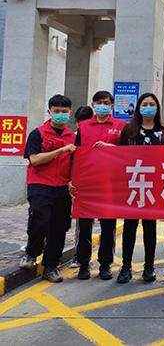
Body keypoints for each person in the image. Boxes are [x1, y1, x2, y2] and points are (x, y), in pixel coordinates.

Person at [19, 95, 76, 283]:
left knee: (59, 228)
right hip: (40, 185)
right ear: (49, 111)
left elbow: (76, 164)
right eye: (56, 111)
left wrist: (73, 181)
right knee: (39, 222)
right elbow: (34, 159)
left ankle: (51, 266)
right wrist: (60, 150)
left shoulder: (73, 137)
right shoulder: (38, 134)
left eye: (64, 111)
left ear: (70, 112)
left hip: (62, 188)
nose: (60, 114)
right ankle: (31, 252)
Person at [117, 93, 164, 284]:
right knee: (130, 227)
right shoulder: (129, 130)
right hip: (132, 186)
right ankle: (126, 267)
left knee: (150, 228)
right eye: (145, 104)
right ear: (139, 108)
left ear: (157, 108)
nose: (148, 107)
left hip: (152, 187)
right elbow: (119, 156)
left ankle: (149, 267)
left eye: (152, 104)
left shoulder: (163, 133)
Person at [74, 91, 126, 281]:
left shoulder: (121, 126)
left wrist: (111, 148)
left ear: (112, 105)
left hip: (110, 183)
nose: (102, 106)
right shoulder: (83, 126)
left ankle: (105, 264)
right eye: (98, 103)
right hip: (87, 182)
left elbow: (128, 153)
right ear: (93, 104)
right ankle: (83, 263)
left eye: (105, 102)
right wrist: (73, 180)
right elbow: (76, 154)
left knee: (108, 226)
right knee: (84, 226)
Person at [69, 106, 94, 270]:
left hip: (98, 184)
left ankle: (104, 261)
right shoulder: (74, 137)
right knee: (83, 224)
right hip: (81, 185)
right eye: (80, 121)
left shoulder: (97, 137)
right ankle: (80, 257)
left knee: (105, 224)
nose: (81, 124)